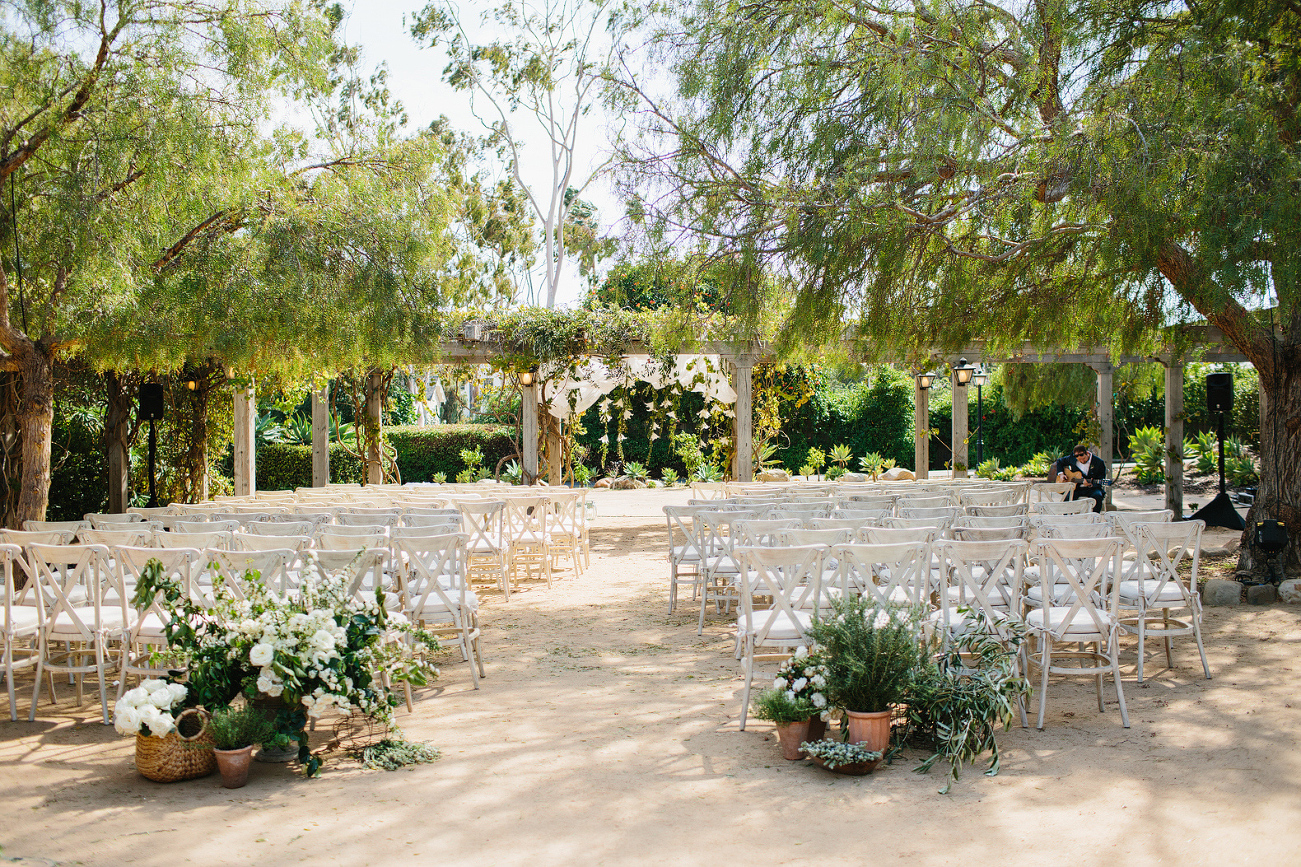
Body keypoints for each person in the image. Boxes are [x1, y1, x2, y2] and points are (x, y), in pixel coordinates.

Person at [1049, 444, 1108, 512]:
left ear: (1087, 453)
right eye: (1079, 460)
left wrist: (1091, 484)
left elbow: (1101, 478)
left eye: (1084, 459)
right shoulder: (1072, 458)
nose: (1082, 461)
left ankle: (1094, 517)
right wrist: (1061, 474)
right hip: (1076, 488)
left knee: (1098, 496)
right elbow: (1060, 461)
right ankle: (1067, 519)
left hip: (1092, 488)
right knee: (1067, 499)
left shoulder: (1098, 462)